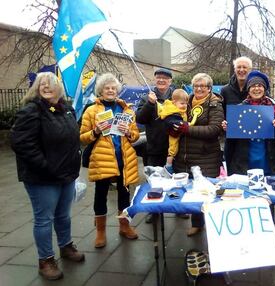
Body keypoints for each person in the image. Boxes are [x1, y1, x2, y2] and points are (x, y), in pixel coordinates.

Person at [10, 72, 84, 280]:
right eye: (42, 84)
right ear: (36, 88)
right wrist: (45, 166)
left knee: (63, 215)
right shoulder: (32, 110)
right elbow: (21, 143)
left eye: (50, 83)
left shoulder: (66, 109)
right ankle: (46, 260)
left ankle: (66, 246)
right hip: (42, 177)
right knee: (44, 219)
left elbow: (71, 139)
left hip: (66, 174)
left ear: (58, 87)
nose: (46, 86)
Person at [80, 73, 139, 248]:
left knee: (124, 194)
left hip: (124, 158)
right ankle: (100, 232)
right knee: (100, 195)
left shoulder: (127, 110)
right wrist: (96, 131)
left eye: (113, 88)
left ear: (117, 91)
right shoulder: (91, 111)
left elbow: (135, 136)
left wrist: (128, 132)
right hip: (102, 159)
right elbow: (82, 138)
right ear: (101, 91)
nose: (110, 91)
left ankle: (124, 226)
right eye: (107, 88)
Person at [173, 73, 224, 236]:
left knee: (207, 192)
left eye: (203, 86)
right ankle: (197, 223)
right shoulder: (185, 102)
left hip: (206, 156)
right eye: (196, 86)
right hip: (185, 155)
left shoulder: (214, 104)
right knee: (192, 192)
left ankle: (212, 224)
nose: (199, 89)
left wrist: (188, 129)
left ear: (209, 89)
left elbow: (214, 129)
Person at [136, 68, 189, 223]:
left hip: (175, 148)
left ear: (170, 81)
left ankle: (178, 207)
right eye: (158, 78)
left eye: (164, 78)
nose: (161, 81)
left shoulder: (177, 96)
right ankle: (155, 211)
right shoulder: (147, 97)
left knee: (177, 179)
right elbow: (140, 118)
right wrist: (150, 104)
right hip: (155, 147)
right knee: (155, 180)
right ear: (155, 80)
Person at [222, 70, 275, 176]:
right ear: (248, 89)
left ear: (264, 89)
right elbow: (232, 139)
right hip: (244, 158)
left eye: (260, 86)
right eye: (253, 86)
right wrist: (228, 128)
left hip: (268, 157)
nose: (256, 89)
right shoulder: (239, 108)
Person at [220, 56, 253, 167]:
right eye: (238, 67)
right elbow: (221, 113)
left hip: (251, 140)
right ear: (234, 70)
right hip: (232, 140)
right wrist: (223, 123)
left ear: (250, 70)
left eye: (245, 67)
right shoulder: (225, 90)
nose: (241, 70)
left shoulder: (257, 89)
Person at [158, 89, 190, 174]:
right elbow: (172, 121)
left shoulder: (178, 109)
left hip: (179, 133)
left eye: (186, 103)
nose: (184, 106)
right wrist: (184, 124)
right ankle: (168, 165)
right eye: (182, 103)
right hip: (174, 134)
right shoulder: (172, 111)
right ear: (174, 102)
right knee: (173, 148)